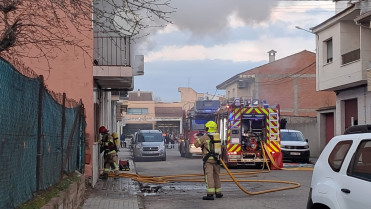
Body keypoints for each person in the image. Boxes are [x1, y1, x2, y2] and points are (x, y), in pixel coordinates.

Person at [194, 121, 223, 200]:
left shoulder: (205, 137)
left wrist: (198, 138)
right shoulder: (217, 137)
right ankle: (218, 193)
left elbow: (196, 145)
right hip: (216, 160)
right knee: (216, 175)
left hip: (208, 160)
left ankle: (210, 194)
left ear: (207, 128)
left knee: (209, 176)